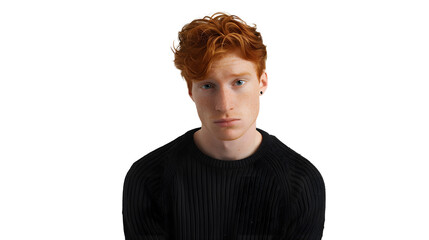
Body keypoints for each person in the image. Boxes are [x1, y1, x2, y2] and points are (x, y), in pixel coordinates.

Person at [122, 12, 325, 239]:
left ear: (262, 82)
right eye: (208, 85)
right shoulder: (149, 178)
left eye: (238, 82)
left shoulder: (300, 181)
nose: (224, 105)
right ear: (191, 91)